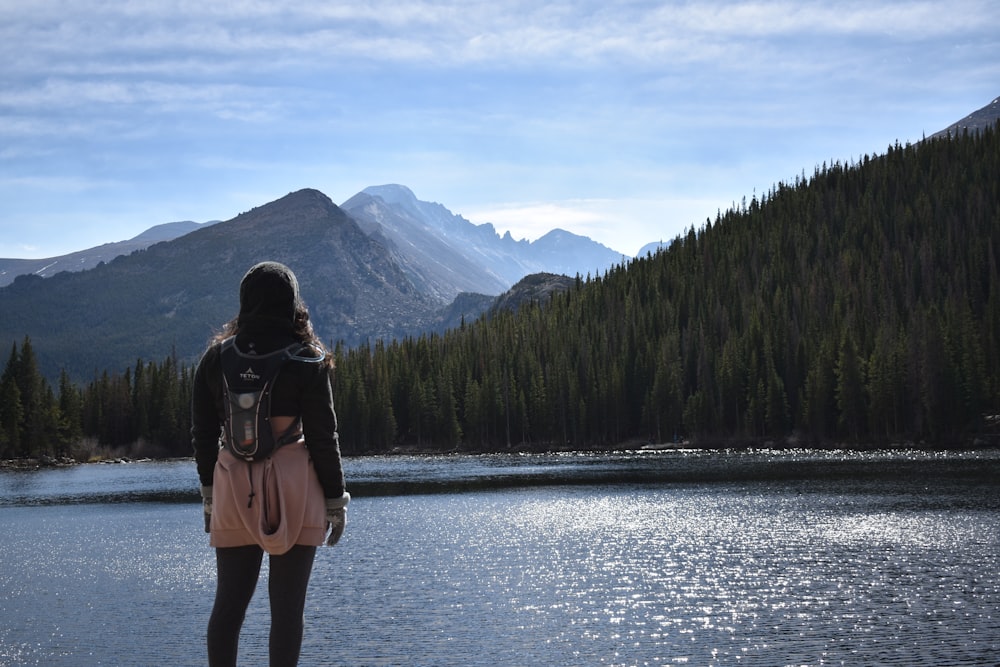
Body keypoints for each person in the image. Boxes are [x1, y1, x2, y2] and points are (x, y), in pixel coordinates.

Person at [191, 261, 349, 667]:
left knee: (228, 608)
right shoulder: (308, 359)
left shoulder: (215, 358)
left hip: (232, 487)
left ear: (245, 301)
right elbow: (322, 438)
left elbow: (204, 435)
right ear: (292, 302)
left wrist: (210, 495)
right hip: (294, 487)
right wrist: (335, 500)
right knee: (287, 613)